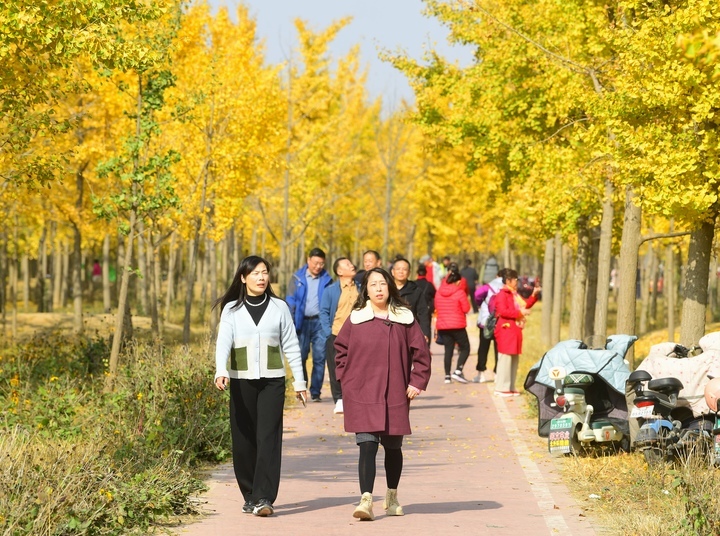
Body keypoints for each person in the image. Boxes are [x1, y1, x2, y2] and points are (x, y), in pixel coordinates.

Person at [213, 255, 308, 517]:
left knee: (268, 437)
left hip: (272, 381)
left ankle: (264, 497)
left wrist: (299, 382)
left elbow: (291, 345)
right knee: (243, 439)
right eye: (255, 273)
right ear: (243, 278)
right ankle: (249, 494)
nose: (261, 277)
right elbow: (224, 343)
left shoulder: (280, 307)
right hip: (241, 379)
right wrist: (221, 370)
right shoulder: (231, 309)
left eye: (264, 272)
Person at [334, 268, 431, 521]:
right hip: (361, 391)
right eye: (372, 284)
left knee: (392, 447)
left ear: (390, 287)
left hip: (395, 393)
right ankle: (366, 499)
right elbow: (340, 350)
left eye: (382, 284)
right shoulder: (356, 318)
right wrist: (345, 379)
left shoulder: (404, 317)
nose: (378, 288)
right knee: (366, 445)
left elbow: (421, 354)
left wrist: (417, 381)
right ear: (365, 289)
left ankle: (392, 496)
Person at [286, 248, 333, 402]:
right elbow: (290, 299)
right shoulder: (296, 278)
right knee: (301, 356)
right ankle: (303, 388)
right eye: (315, 262)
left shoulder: (327, 279)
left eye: (321, 263)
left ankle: (316, 392)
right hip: (301, 322)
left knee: (319, 357)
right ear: (308, 260)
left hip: (320, 322)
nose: (318, 266)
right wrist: (290, 320)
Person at [493, 268, 542, 397]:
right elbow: (503, 311)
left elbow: (525, 305)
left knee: (514, 359)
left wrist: (533, 295)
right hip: (505, 330)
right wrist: (520, 313)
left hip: (514, 330)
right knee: (505, 359)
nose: (516, 282)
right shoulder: (502, 294)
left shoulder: (514, 294)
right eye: (515, 279)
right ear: (508, 280)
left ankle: (510, 386)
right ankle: (501, 387)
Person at [319, 256, 359, 415]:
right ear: (339, 271)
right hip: (336, 334)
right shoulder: (331, 290)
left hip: (357, 336)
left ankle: (354, 397)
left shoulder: (361, 288)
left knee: (356, 367)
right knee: (336, 368)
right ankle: (339, 399)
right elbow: (323, 312)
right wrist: (328, 332)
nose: (352, 265)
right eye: (348, 264)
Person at [435, 264, 471, 384]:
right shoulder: (459, 292)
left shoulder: (439, 292)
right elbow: (466, 308)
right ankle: (458, 371)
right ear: (456, 281)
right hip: (457, 325)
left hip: (443, 326)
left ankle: (447, 376)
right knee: (465, 348)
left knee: (448, 350)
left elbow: (436, 307)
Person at [473, 270, 504, 383]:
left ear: (496, 275)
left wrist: (480, 303)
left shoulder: (488, 287)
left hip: (486, 321)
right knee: (498, 349)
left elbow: (477, 295)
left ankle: (481, 374)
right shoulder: (506, 287)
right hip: (500, 322)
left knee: (483, 348)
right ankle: (497, 373)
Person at [391, 257, 431, 341]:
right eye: (398, 269)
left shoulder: (416, 291)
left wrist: (424, 332)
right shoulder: (386, 289)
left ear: (409, 272)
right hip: (390, 331)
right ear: (393, 272)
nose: (401, 272)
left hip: (410, 331)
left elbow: (422, 312)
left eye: (404, 269)